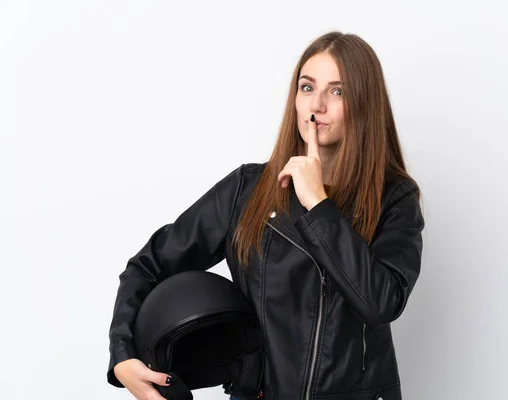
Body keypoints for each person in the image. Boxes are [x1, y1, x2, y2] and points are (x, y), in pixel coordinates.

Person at [107, 30, 425, 400]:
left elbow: (380, 303)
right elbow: (148, 265)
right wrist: (123, 356)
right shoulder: (247, 188)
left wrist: (318, 204)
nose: (317, 105)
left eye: (337, 91)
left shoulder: (395, 197)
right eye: (307, 88)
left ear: (364, 103)